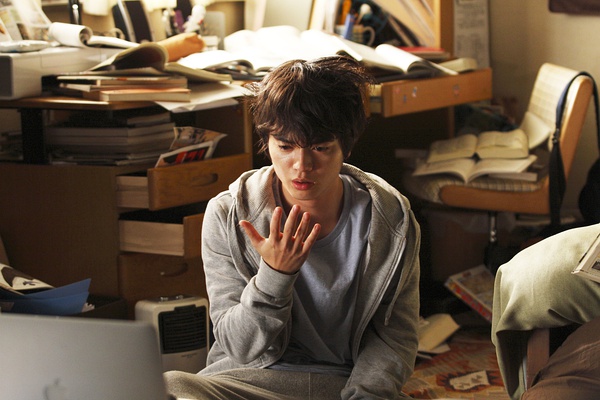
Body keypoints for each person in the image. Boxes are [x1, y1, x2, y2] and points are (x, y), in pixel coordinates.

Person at [164, 56, 421, 400]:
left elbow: (395, 336)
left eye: (320, 148)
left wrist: (365, 395)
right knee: (169, 385)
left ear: (346, 145)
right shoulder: (228, 213)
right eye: (285, 146)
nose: (301, 165)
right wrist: (274, 276)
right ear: (267, 141)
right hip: (248, 381)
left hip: (342, 386)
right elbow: (239, 347)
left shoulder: (390, 218)